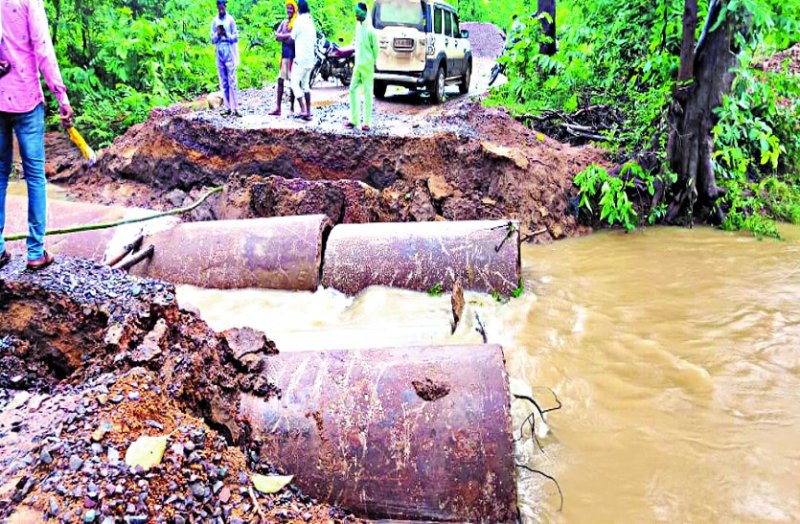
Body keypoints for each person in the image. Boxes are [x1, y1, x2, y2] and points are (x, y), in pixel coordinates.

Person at [0, 0, 73, 271]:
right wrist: (61, 96)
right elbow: (43, 49)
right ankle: (34, 251)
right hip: (26, 99)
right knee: (34, 176)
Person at [345, 2, 378, 132]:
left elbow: (376, 50)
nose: (355, 16)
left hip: (367, 67)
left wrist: (371, 61)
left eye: (357, 14)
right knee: (352, 89)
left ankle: (367, 123)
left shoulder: (371, 31)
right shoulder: (358, 27)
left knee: (368, 94)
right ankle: (354, 119)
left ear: (363, 14)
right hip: (358, 66)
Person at [210, 0, 240, 117]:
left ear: (225, 6)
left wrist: (226, 34)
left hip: (229, 48)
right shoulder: (214, 21)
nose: (221, 8)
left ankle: (235, 108)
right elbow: (212, 39)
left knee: (232, 79)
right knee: (223, 80)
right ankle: (227, 107)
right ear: (217, 6)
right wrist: (217, 34)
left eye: (222, 5)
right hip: (219, 49)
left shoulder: (230, 20)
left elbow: (235, 37)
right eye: (219, 6)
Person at [270, 0, 298, 116]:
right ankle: (278, 108)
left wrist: (283, 36)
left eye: (291, 8)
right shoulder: (284, 22)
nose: (289, 10)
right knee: (280, 81)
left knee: (292, 82)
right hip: (284, 56)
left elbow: (293, 40)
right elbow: (276, 37)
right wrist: (287, 35)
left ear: (295, 9)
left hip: (293, 56)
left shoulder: (296, 23)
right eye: (288, 8)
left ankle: (291, 108)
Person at [290, 0, 316, 122]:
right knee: (305, 85)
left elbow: (291, 38)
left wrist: (280, 36)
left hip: (300, 59)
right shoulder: (310, 21)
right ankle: (309, 112)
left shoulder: (298, 21)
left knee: (294, 83)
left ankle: (303, 109)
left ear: (298, 9)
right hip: (310, 59)